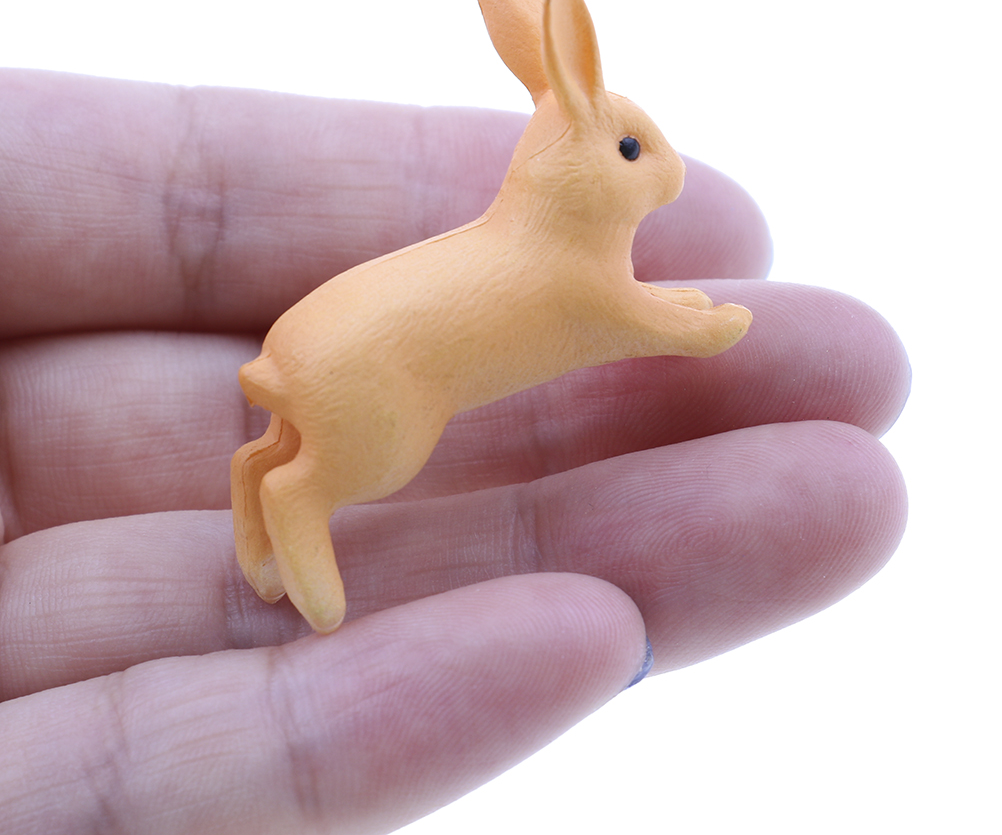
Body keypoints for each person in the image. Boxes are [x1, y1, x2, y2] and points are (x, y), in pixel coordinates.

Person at [0, 69, 909, 834]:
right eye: (635, 152)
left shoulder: (549, 250)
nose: (661, 172)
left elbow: (613, 304)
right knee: (376, 461)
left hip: (316, 339)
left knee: (282, 440)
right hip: (366, 362)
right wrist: (697, 332)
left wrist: (676, 311)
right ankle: (298, 506)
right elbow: (612, 317)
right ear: (574, 160)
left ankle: (269, 487)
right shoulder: (556, 261)